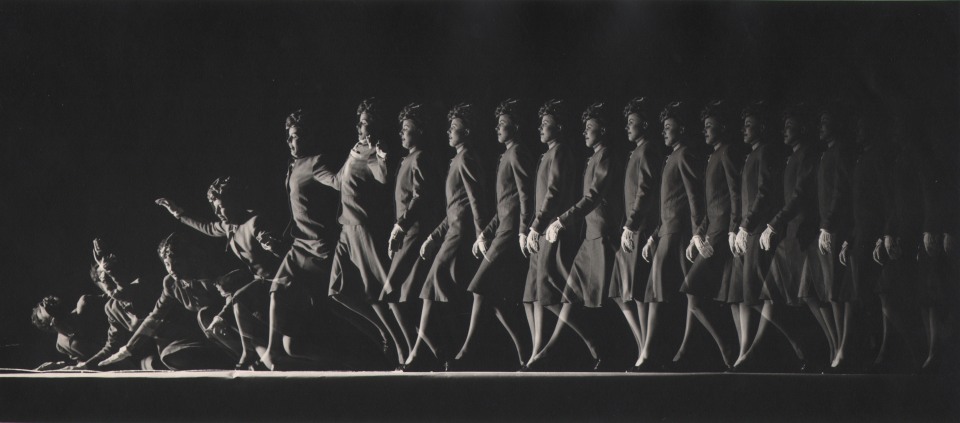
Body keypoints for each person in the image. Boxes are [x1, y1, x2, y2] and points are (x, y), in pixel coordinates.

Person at [526, 102, 623, 371]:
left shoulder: (598, 156)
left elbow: (585, 196)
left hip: (598, 232)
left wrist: (554, 222)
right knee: (568, 294)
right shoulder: (590, 157)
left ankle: (616, 350)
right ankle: (566, 349)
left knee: (609, 297)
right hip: (585, 233)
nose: (586, 133)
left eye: (590, 128)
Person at [155, 177, 290, 368]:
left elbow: (283, 252)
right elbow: (207, 227)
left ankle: (249, 353)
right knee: (228, 307)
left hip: (275, 280)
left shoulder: (256, 222)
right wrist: (178, 213)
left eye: (221, 206)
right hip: (258, 282)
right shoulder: (229, 225)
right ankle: (255, 354)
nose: (217, 212)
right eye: (214, 208)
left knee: (237, 299)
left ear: (235, 202)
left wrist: (273, 246)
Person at [318, 98, 406, 366]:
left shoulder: (375, 151)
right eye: (358, 121)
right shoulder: (355, 149)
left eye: (364, 122)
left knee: (380, 291)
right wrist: (311, 172)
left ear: (374, 126)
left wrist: (382, 155)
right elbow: (338, 182)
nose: (359, 126)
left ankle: (407, 346)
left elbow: (382, 177)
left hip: (363, 228)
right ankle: (382, 332)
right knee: (337, 290)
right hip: (346, 226)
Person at [405, 103, 491, 370]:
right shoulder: (457, 158)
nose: (449, 132)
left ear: (466, 131)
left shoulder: (466, 158)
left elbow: (476, 201)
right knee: (446, 290)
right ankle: (449, 352)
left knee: (433, 286)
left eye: (454, 127)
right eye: (450, 127)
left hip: (462, 233)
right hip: (453, 231)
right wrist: (434, 236)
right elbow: (455, 207)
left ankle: (422, 353)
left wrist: (480, 234)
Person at [454, 98, 534, 369]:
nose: (498, 128)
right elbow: (504, 204)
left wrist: (524, 230)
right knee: (491, 295)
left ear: (516, 126)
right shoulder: (506, 156)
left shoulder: (518, 152)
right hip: (502, 230)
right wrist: (484, 234)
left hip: (511, 233)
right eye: (497, 123)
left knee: (479, 286)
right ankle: (524, 351)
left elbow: (525, 196)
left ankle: (466, 352)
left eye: (503, 123)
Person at [748, 103, 824, 371]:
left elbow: (799, 194)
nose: (785, 131)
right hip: (789, 234)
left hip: (802, 234)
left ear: (802, 129)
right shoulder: (793, 156)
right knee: (769, 293)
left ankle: (835, 348)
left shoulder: (807, 155)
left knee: (809, 296)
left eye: (790, 127)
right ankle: (796, 348)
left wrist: (774, 223)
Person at [98, 233, 238, 370]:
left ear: (189, 260)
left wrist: (222, 316)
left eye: (177, 263)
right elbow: (154, 318)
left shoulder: (207, 276)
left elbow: (233, 298)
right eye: (167, 264)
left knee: (205, 315)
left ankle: (241, 358)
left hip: (233, 324)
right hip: (205, 335)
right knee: (170, 356)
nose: (171, 269)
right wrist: (128, 349)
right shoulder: (171, 283)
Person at [673, 100, 743, 370]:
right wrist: (697, 235)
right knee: (701, 294)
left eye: (710, 127)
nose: (705, 131)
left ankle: (724, 346)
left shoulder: (726, 153)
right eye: (703, 127)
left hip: (722, 232)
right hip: (711, 231)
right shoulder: (712, 155)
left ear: (722, 128)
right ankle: (721, 348)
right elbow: (710, 204)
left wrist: (735, 228)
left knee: (693, 288)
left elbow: (734, 194)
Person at [636, 101, 706, 372]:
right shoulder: (670, 157)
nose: (664, 131)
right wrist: (654, 235)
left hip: (679, 232)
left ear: (682, 128)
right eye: (662, 127)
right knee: (679, 292)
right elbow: (669, 204)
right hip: (667, 231)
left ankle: (655, 353)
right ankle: (660, 352)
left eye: (669, 127)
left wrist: (698, 233)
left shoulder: (685, 154)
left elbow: (693, 198)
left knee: (680, 292)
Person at [522, 99, 588, 370]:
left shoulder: (560, 151)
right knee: (531, 295)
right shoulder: (546, 154)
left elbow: (553, 193)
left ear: (558, 127)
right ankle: (537, 351)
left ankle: (586, 342)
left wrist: (536, 225)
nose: (541, 128)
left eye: (546, 124)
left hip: (552, 232)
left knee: (549, 294)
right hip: (540, 232)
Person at [381, 102, 446, 368]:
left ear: (419, 131)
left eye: (407, 129)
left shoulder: (419, 158)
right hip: (407, 233)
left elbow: (421, 196)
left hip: (414, 233)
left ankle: (418, 353)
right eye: (401, 129)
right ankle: (431, 353)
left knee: (391, 292)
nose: (401, 134)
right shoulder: (406, 159)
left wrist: (401, 225)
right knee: (399, 295)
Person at [729, 101, 786, 371]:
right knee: (743, 292)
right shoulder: (751, 155)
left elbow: (764, 193)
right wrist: (739, 227)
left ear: (761, 128)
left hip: (757, 229)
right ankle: (744, 350)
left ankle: (754, 350)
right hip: (746, 231)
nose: (744, 130)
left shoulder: (764, 153)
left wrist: (746, 225)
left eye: (749, 125)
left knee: (760, 291)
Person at [610, 97, 663, 369]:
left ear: (645, 124)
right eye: (627, 123)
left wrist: (631, 225)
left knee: (640, 292)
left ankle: (646, 352)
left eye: (633, 123)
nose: (628, 127)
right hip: (632, 228)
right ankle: (643, 347)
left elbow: (644, 191)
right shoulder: (637, 152)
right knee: (623, 293)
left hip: (641, 228)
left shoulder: (648, 150)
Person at [76, 239, 165, 371]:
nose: (110, 286)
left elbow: (123, 288)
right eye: (105, 283)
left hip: (170, 345)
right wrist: (86, 365)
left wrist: (108, 269)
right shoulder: (112, 309)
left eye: (113, 279)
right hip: (145, 356)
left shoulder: (144, 287)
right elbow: (112, 346)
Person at [815, 102, 857, 371]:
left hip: (837, 227)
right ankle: (839, 348)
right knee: (832, 292)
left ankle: (844, 348)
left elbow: (841, 191)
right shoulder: (828, 153)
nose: (821, 128)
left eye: (825, 122)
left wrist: (828, 226)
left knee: (839, 291)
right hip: (829, 227)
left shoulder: (840, 151)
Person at [31, 294, 108, 370]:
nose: (45, 306)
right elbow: (82, 363)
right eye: (54, 320)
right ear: (50, 328)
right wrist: (60, 365)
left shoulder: (87, 303)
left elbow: (116, 299)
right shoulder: (62, 344)